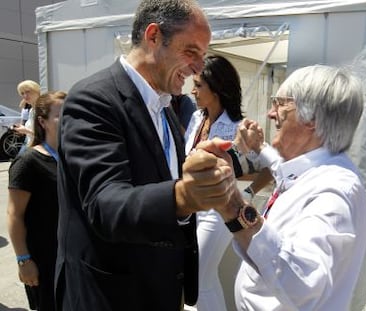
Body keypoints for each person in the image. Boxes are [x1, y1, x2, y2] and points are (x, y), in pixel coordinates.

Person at [55, 1, 233, 310]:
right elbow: (105, 204)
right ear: (153, 37)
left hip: (157, 290)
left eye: (203, 56)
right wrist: (183, 195)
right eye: (191, 52)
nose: (198, 68)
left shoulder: (164, 107)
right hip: (110, 295)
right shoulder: (93, 99)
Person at [186, 65, 366, 310]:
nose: (271, 113)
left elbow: (304, 285)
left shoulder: (334, 190)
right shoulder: (317, 170)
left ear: (312, 118)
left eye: (281, 104)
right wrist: (258, 148)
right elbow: (281, 169)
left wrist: (231, 202)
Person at [184, 55, 244, 311]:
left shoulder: (237, 127)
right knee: (206, 279)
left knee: (198, 278)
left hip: (217, 213)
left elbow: (256, 168)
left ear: (217, 88)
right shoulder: (197, 119)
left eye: (198, 85)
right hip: (192, 208)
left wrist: (248, 187)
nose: (192, 90)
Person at [7, 91, 66, 311]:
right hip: (45, 258)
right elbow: (14, 215)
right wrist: (24, 260)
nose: (69, 120)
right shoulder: (28, 162)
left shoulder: (73, 157)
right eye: (62, 115)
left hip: (72, 255)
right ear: (42, 121)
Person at [13, 80, 41, 154]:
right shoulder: (32, 110)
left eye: (28, 91)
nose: (25, 95)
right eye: (22, 93)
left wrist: (26, 130)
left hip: (40, 150)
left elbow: (46, 135)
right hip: (31, 146)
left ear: (37, 91)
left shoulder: (42, 110)